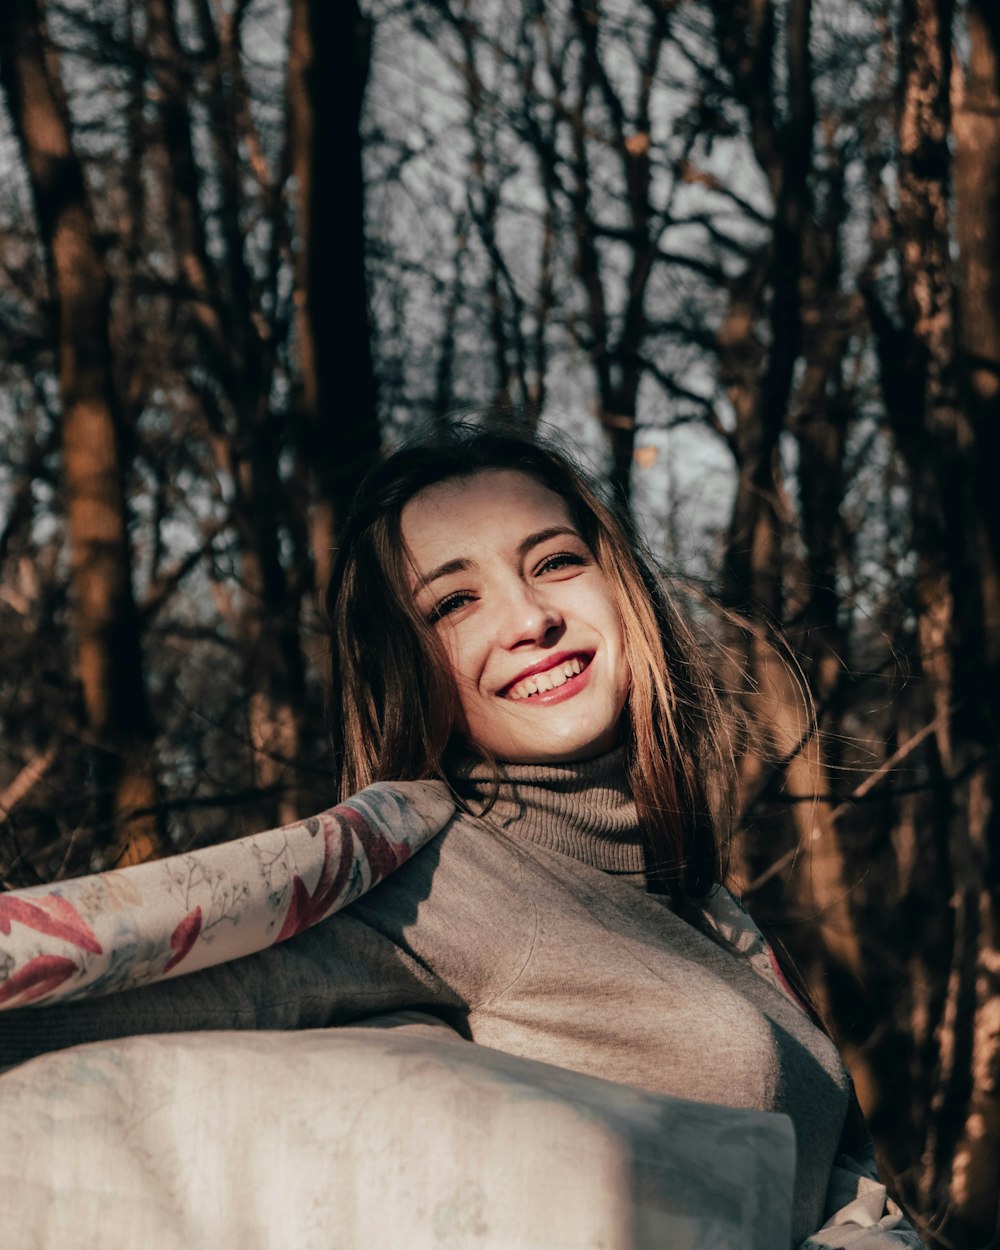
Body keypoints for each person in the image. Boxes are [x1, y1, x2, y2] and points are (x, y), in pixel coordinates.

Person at [0, 426, 920, 1248]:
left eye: (556, 562)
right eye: (454, 603)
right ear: (411, 670)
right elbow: (96, 1001)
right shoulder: (443, 875)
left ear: (622, 587)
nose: (531, 620)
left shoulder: (710, 912)